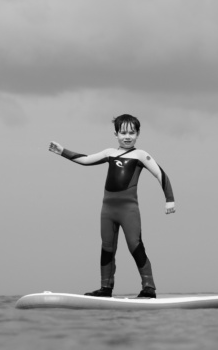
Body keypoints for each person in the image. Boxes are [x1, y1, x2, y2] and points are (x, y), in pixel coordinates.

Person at [48, 114, 175, 299]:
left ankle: (149, 288)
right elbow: (85, 159)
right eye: (123, 132)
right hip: (107, 210)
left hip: (128, 210)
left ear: (138, 134)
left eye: (132, 132)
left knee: (135, 246)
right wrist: (62, 151)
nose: (127, 136)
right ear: (115, 133)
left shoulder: (140, 155)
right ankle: (105, 288)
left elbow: (160, 174)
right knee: (107, 247)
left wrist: (169, 199)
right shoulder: (109, 153)